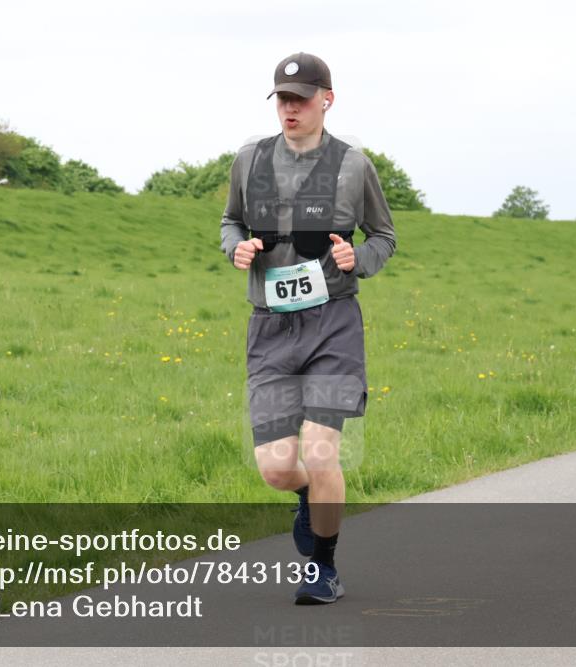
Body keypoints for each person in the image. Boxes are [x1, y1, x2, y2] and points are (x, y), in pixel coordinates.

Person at [219, 52, 397, 604]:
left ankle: (324, 568)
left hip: (333, 325)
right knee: (277, 469)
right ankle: (309, 498)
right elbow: (229, 220)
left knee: (321, 454)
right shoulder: (249, 159)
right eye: (282, 100)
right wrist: (237, 248)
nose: (290, 109)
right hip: (270, 328)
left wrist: (357, 261)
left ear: (327, 99)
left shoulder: (354, 165)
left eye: (300, 99)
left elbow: (384, 237)